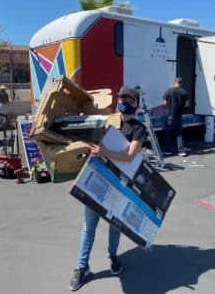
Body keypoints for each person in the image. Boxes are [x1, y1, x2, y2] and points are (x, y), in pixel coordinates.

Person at [69, 86, 147, 291]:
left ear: (136, 103)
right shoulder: (107, 121)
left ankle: (113, 256)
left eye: (129, 99)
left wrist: (105, 152)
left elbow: (130, 156)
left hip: (120, 184)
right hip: (99, 180)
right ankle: (82, 266)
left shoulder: (138, 128)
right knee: (89, 226)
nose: (124, 102)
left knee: (115, 225)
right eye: (122, 98)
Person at [162, 77, 189, 156]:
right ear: (181, 83)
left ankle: (167, 150)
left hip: (170, 116)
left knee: (168, 133)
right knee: (179, 134)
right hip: (179, 116)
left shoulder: (169, 91)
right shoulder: (184, 92)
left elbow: (164, 103)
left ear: (175, 82)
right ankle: (181, 151)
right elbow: (187, 104)